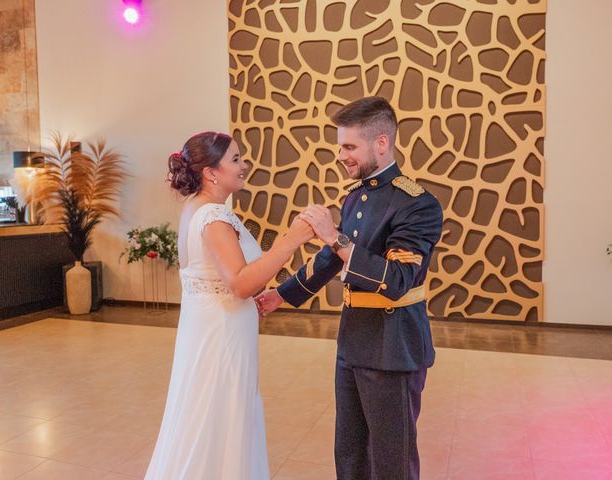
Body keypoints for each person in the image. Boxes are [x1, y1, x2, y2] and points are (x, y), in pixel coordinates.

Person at [256, 96, 443, 480]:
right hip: (354, 341)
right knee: (351, 454)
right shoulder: (357, 194)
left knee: (392, 462)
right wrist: (282, 295)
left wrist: (333, 236)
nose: (340, 155)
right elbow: (332, 260)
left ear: (381, 143)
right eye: (340, 145)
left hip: (393, 346)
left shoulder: (418, 204)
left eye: (349, 146)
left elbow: (396, 281)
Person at [144, 131, 314, 480]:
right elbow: (240, 283)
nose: (244, 165)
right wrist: (291, 241)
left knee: (207, 417)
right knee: (221, 417)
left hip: (210, 330)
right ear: (211, 172)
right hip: (221, 336)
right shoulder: (214, 217)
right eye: (235, 159)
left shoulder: (198, 208)